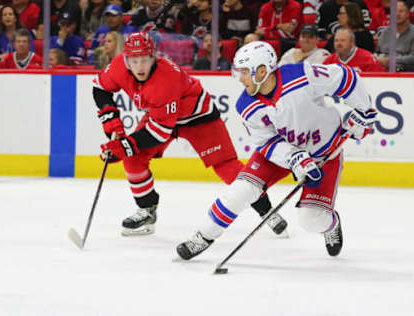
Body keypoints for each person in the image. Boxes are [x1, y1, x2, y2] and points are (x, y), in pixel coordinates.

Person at [176, 41, 377, 260]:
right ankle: (204, 236)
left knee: (311, 219)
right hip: (279, 152)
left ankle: (331, 224)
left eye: (244, 72)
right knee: (239, 191)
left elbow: (345, 78)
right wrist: (293, 157)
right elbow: (266, 142)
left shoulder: (302, 75)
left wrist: (363, 111)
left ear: (262, 71)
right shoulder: (246, 104)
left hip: (324, 152)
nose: (240, 79)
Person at [94, 32, 288, 237]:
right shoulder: (117, 67)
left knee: (228, 168)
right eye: (134, 61)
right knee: (133, 160)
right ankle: (146, 210)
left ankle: (267, 211)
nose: (140, 66)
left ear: (154, 57)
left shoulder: (165, 78)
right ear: (126, 60)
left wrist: (124, 146)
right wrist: (111, 122)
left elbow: (159, 134)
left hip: (198, 118)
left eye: (144, 60)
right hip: (160, 116)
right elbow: (100, 88)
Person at [376, 0, 414, 71]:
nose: (397, 14)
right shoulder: (385, 32)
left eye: (401, 11)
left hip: (407, 72)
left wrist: (391, 60)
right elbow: (377, 52)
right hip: (383, 69)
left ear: (407, 14)